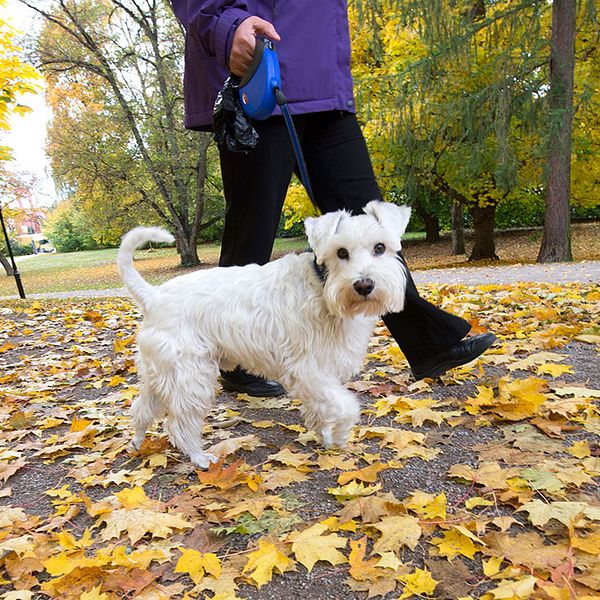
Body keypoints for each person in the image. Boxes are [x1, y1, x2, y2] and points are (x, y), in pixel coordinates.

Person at [170, 1, 496, 396]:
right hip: (257, 71)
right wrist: (226, 29)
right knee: (251, 232)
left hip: (325, 84)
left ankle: (428, 341)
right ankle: (237, 358)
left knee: (370, 227)